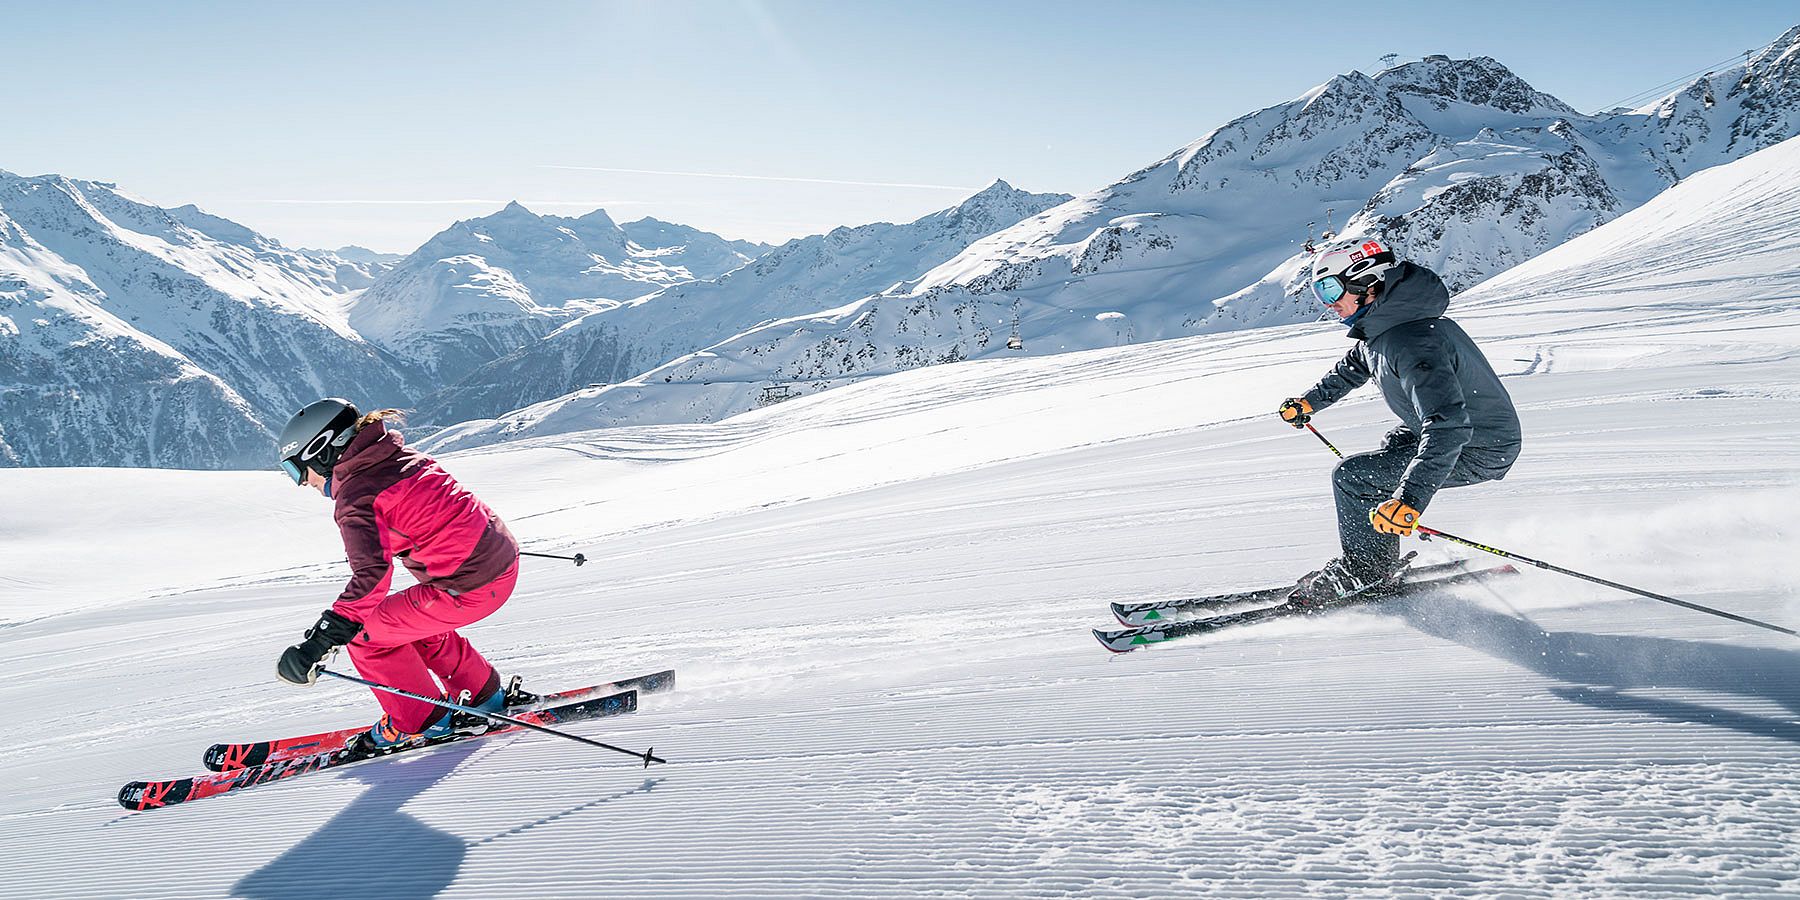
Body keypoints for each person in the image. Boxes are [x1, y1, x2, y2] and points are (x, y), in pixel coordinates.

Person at [1278, 240, 1521, 604]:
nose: (1328, 303)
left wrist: (1410, 500)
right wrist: (1309, 402)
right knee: (1393, 447)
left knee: (1353, 477)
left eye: (1330, 289)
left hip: (1481, 447)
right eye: (1319, 292)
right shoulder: (1384, 329)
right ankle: (1377, 558)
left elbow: (1448, 426)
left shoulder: (1412, 342)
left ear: (1367, 283)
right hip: (1467, 434)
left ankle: (1365, 571)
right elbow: (1351, 370)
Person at [273, 398, 522, 752]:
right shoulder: (396, 457)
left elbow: (371, 576)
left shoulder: (358, 496)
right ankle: (484, 697)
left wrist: (321, 640)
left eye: (296, 470)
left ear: (322, 452)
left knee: (365, 636)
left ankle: (420, 722)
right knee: (406, 626)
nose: (300, 483)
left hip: (469, 587)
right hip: (500, 564)